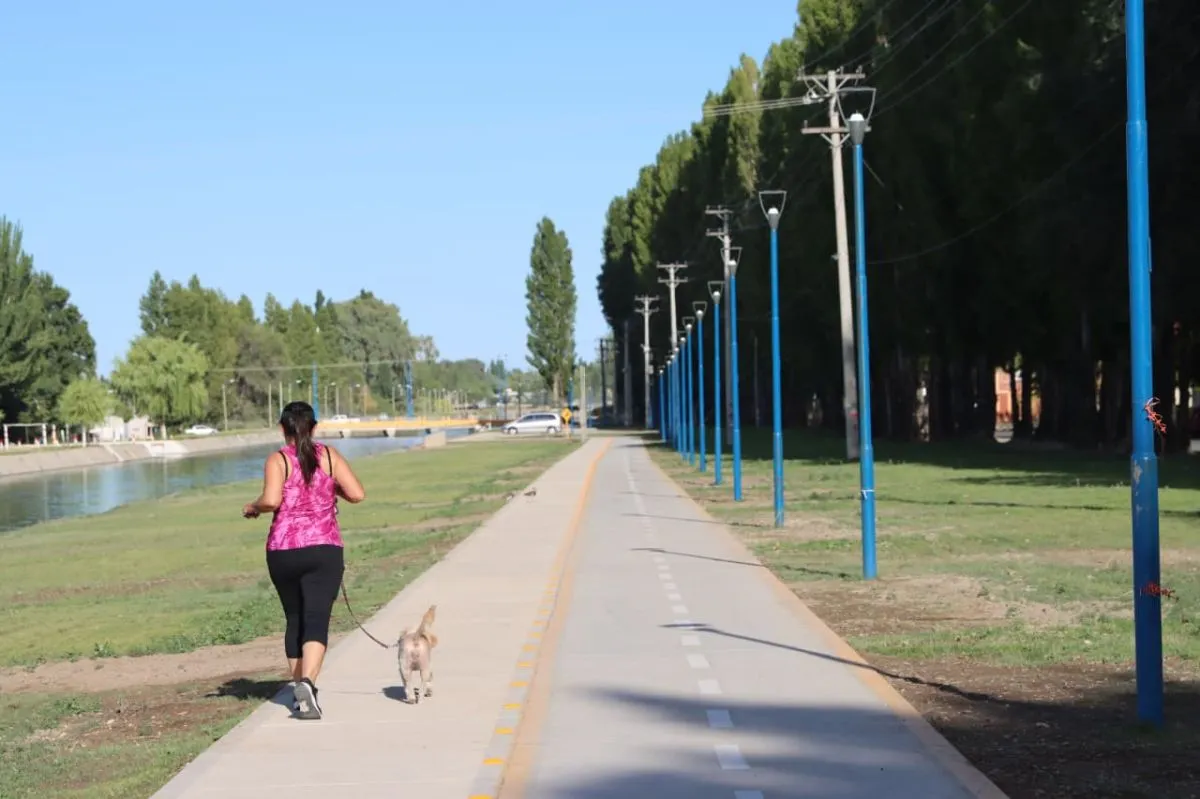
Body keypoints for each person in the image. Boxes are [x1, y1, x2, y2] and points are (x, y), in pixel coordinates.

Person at [242, 401, 365, 719]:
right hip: (324, 548)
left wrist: (253, 507)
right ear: (314, 427)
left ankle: (300, 695)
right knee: (316, 618)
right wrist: (329, 489)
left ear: (283, 428)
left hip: (283, 550)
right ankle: (307, 683)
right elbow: (357, 494)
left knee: (295, 618)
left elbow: (271, 500)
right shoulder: (329, 457)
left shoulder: (278, 460)